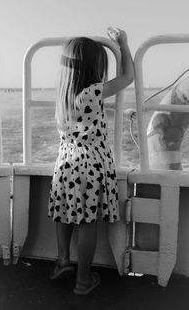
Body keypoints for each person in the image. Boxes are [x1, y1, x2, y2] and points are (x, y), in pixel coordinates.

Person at [48, 27, 134, 295]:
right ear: (93, 67)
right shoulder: (93, 93)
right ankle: (83, 280)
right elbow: (128, 77)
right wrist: (123, 44)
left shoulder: (62, 95)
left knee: (65, 213)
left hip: (65, 164)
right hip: (91, 167)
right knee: (87, 222)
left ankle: (62, 259)